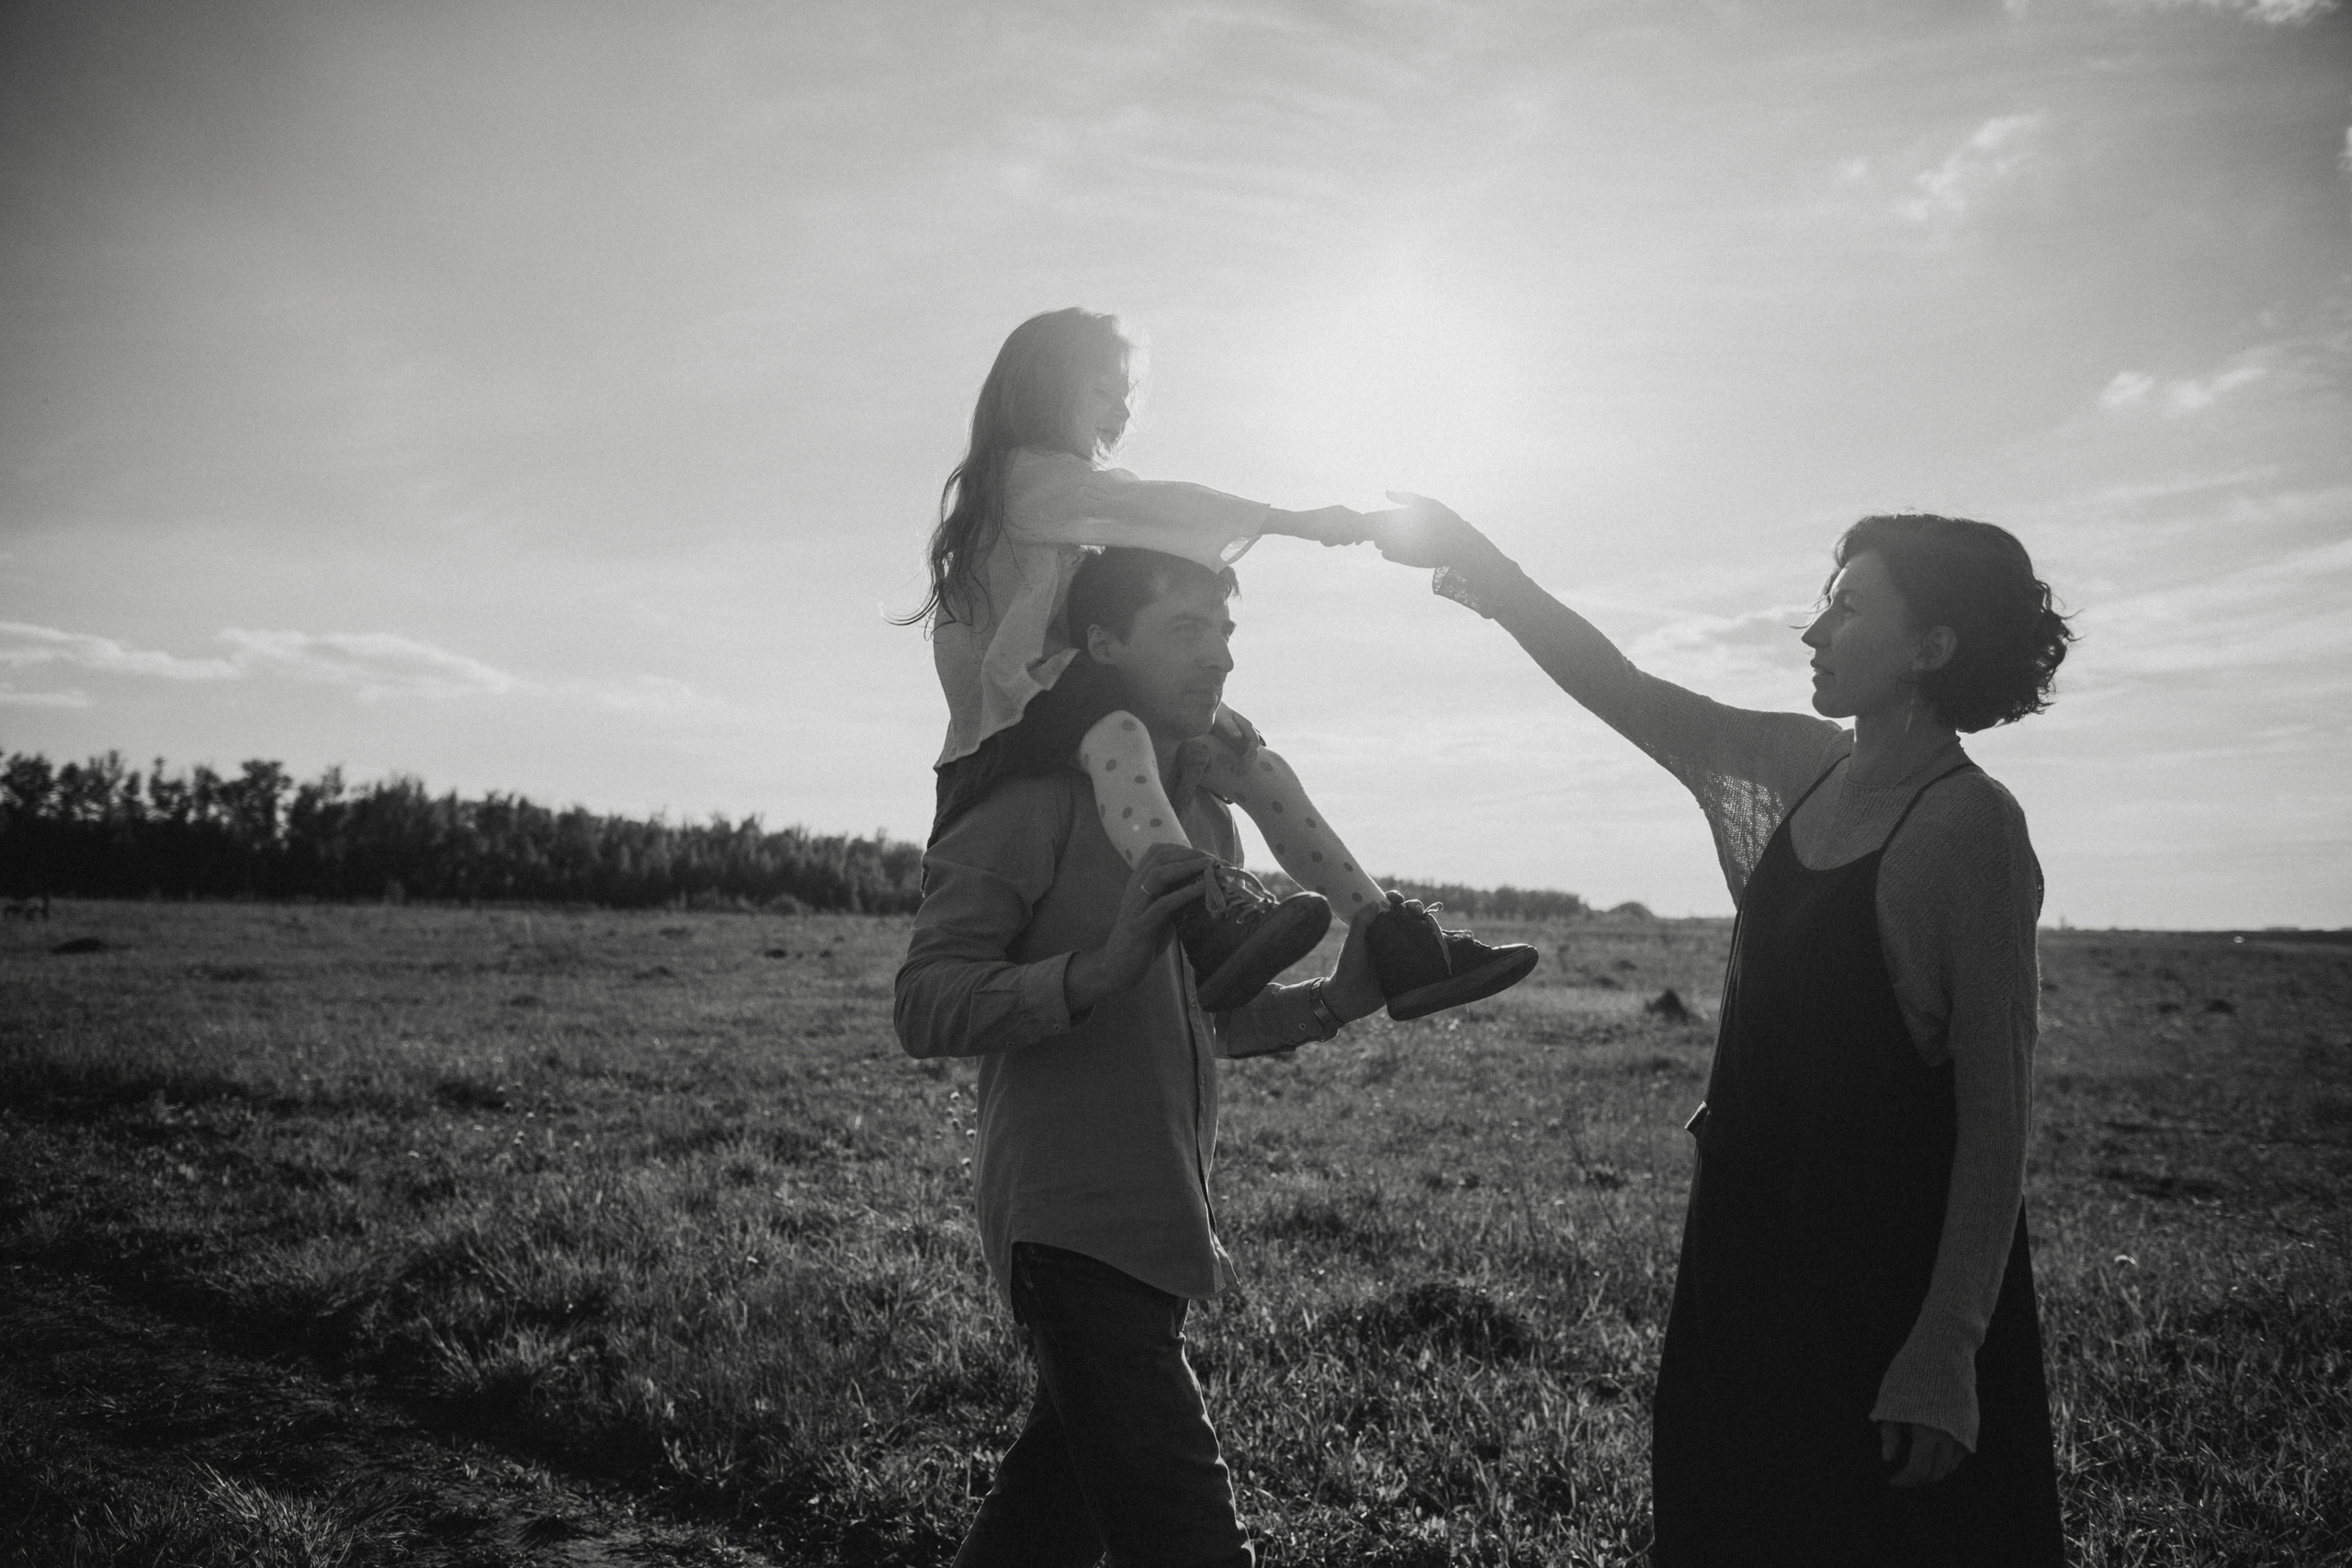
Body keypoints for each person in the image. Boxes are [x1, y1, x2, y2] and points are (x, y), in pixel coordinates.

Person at [1374, 503, 2070, 1566]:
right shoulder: (1799, 766)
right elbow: (1625, 690)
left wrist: (1946, 1347)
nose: (1813, 630)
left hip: (1879, 1278)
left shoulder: (1973, 826)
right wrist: (1486, 569)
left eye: (1849, 608)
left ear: (1931, 648)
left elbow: (1995, 1116)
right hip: (1742, 1248)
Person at [896, 546, 1397, 1566]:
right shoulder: (1031, 798)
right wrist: (1101, 965)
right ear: (1103, 644)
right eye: (1185, 629)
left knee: (1045, 1523)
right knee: (1188, 1540)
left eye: (1225, 632)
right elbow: (923, 1003)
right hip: (1069, 1225)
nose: (1219, 658)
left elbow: (1203, 1015)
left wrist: (1333, 1004)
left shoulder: (1201, 819)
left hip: (1163, 1224)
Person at [907, 306, 1535, 1020]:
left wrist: (1207, 704)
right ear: (1045, 388)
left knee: (1253, 763)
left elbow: (1112, 604)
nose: (1121, 411)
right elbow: (1153, 510)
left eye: (1126, 396)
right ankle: (1203, 912)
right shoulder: (1026, 481)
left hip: (1059, 695)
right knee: (1120, 735)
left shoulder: (1060, 495)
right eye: (1102, 390)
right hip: (1006, 720)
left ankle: (1391, 937)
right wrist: (1300, 521)